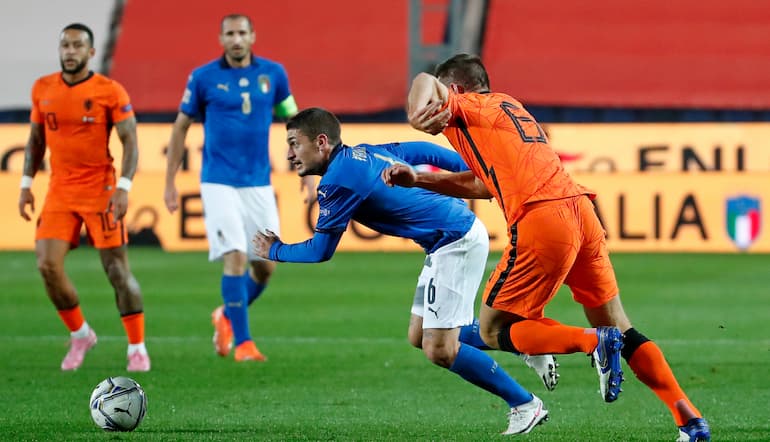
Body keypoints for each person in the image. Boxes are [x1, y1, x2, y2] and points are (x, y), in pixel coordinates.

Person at [382, 53, 710, 442]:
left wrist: (416, 111)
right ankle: (689, 420)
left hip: (543, 218)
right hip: (581, 214)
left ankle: (591, 343)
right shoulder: (509, 108)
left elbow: (423, 79)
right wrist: (419, 179)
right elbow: (483, 185)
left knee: (491, 328)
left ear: (453, 90)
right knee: (621, 325)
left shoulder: (468, 105)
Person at [253, 107, 563, 435]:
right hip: (447, 239)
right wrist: (469, 172)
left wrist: (274, 250)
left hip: (454, 240)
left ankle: (524, 404)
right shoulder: (363, 154)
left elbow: (320, 251)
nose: (288, 155)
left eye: (293, 144)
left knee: (440, 348)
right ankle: (525, 343)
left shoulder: (338, 181)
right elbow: (419, 150)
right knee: (420, 335)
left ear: (321, 142)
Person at [164, 14, 314, 362]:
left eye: (241, 33)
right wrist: (170, 181)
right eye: (229, 33)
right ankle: (244, 344)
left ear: (252, 36)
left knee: (265, 265)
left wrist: (307, 169)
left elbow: (293, 121)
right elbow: (180, 127)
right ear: (221, 38)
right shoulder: (203, 78)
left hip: (258, 183)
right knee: (233, 256)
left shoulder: (273, 74)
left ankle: (226, 314)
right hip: (218, 182)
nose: (236, 39)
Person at [17, 23, 150, 372]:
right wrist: (26, 183)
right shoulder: (42, 88)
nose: (70, 51)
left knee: (117, 270)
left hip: (100, 190)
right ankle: (80, 334)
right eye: (65, 45)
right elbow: (34, 140)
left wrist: (124, 186)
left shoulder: (109, 91)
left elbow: (131, 141)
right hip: (60, 189)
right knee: (47, 265)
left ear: (91, 53)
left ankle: (137, 346)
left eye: (77, 46)